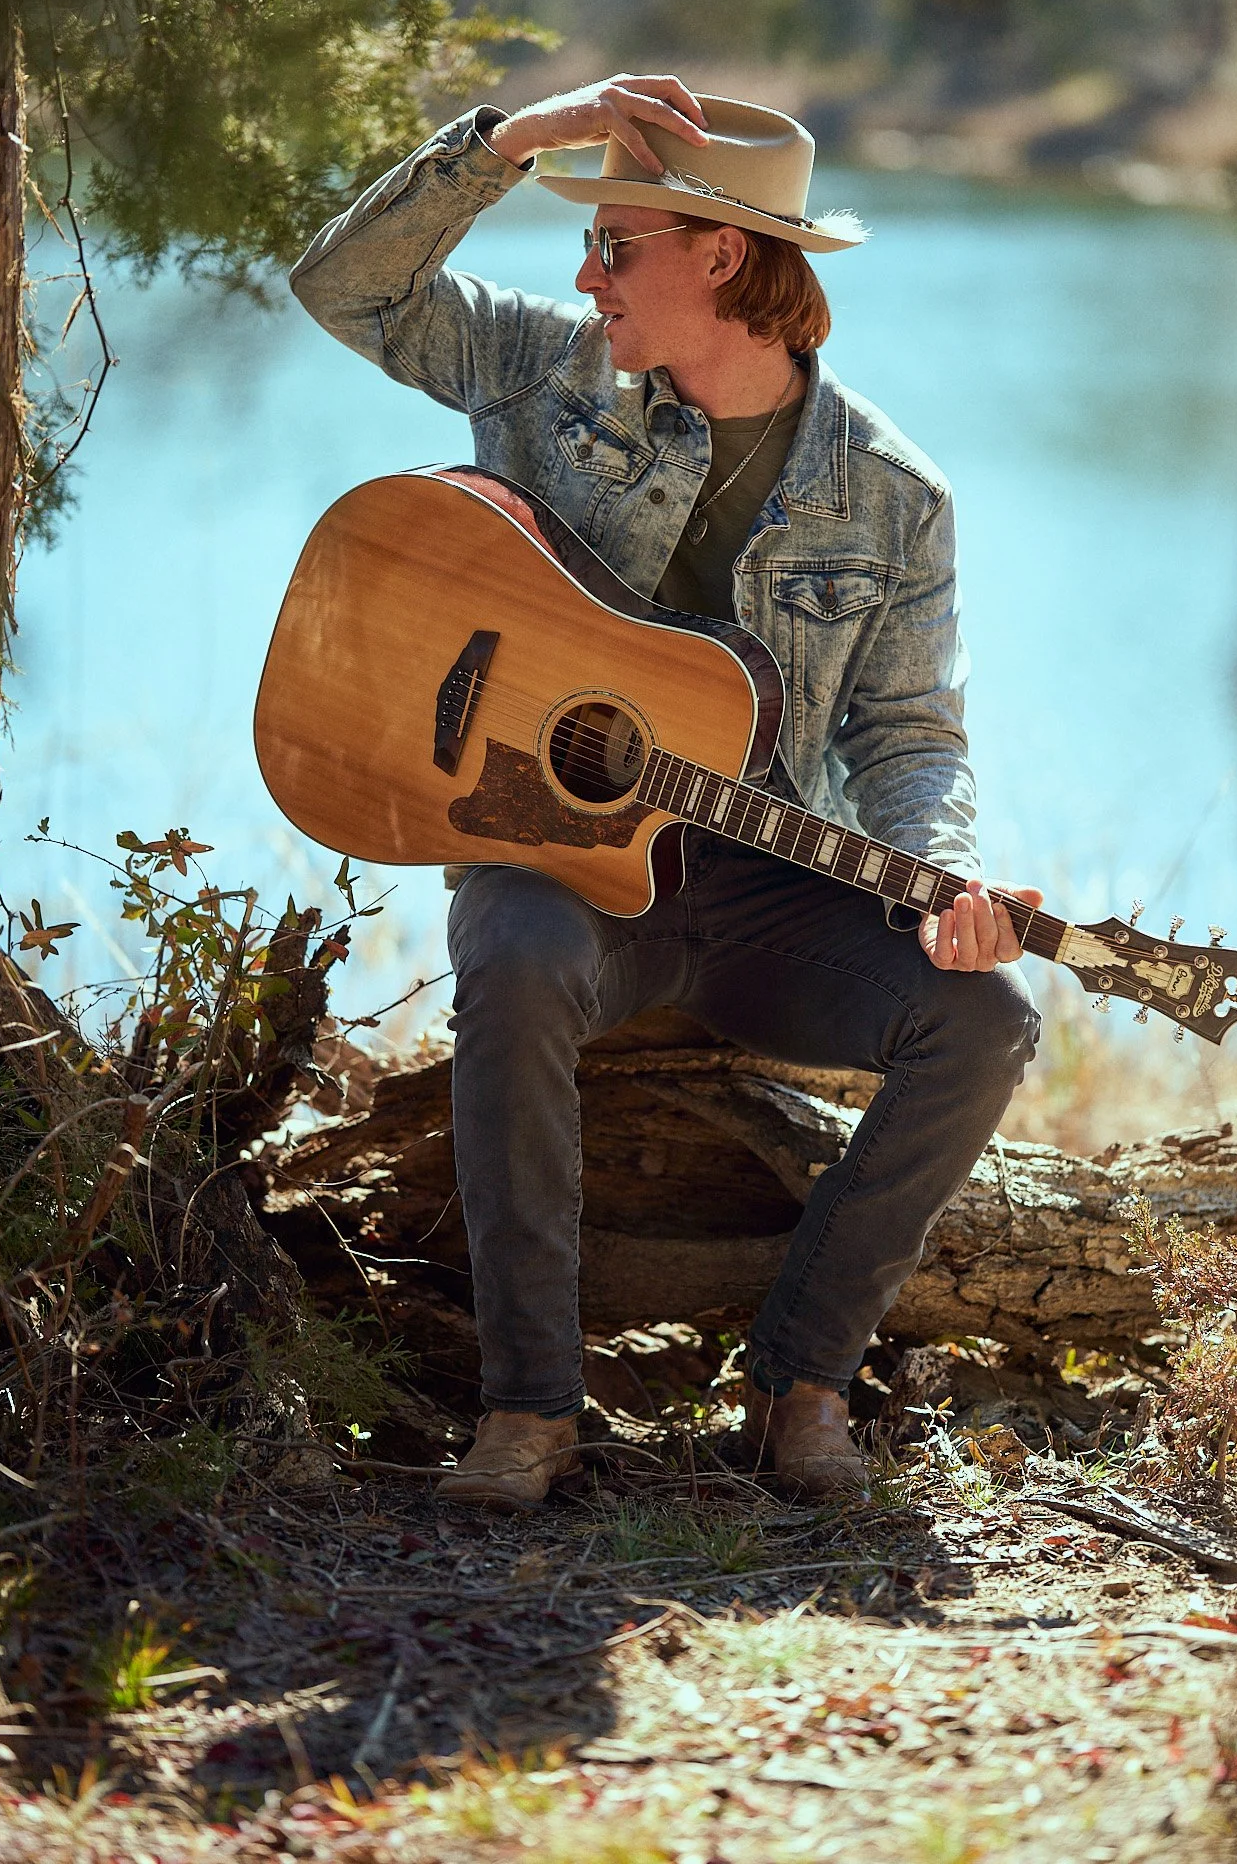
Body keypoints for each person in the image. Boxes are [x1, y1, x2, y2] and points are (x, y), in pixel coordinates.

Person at [290, 75, 1040, 1511]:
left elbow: (906, 735)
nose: (585, 271)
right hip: (556, 865)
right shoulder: (540, 368)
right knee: (510, 954)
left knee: (985, 1017)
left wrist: (943, 870)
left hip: (766, 890)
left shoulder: (893, 494)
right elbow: (344, 284)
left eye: (616, 240)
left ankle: (799, 1385)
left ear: (720, 255)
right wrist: (508, 137)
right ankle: (528, 1410)